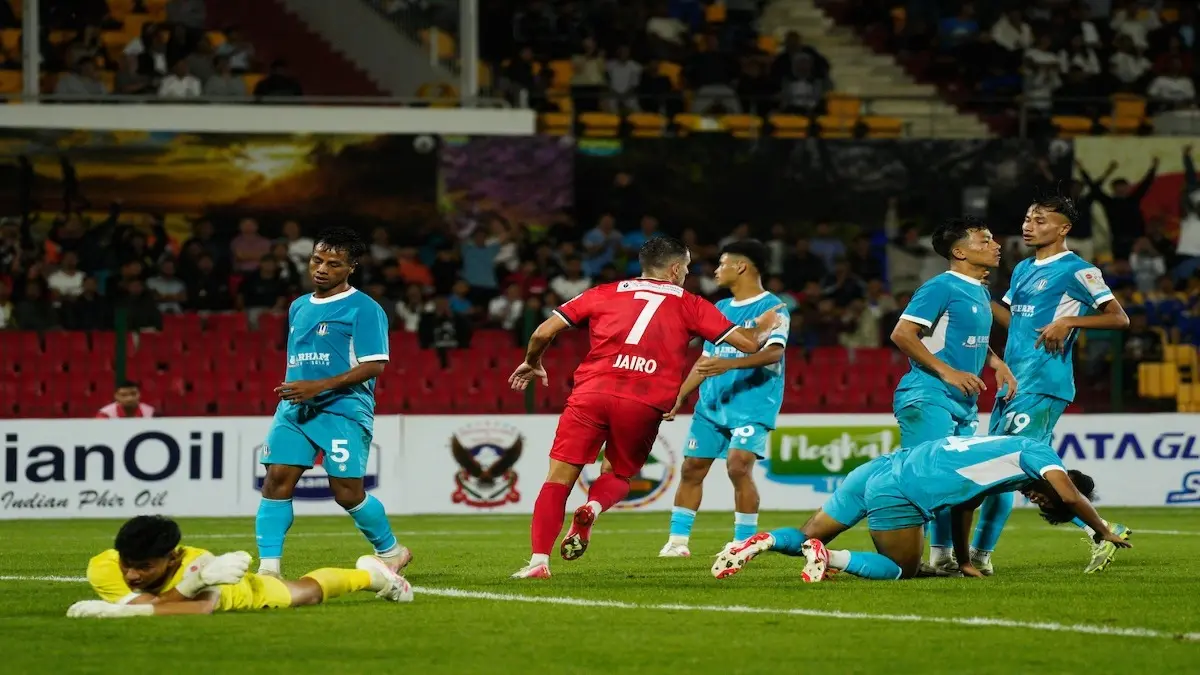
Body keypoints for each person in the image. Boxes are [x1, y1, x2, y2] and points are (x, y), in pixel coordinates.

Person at [507, 236, 785, 579]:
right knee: (618, 475)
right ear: (674, 269)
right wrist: (763, 325)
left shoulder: (604, 292)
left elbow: (541, 333)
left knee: (558, 480)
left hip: (591, 394)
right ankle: (593, 506)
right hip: (643, 402)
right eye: (686, 268)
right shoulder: (691, 304)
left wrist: (532, 361)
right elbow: (748, 345)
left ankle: (538, 562)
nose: (687, 274)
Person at [712, 435, 1130, 582]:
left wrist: (963, 562)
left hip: (878, 468)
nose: (1040, 500)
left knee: (807, 535)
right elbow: (1071, 496)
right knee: (902, 569)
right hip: (902, 490)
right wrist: (1102, 530)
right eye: (1046, 498)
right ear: (1060, 480)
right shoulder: (1041, 455)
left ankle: (762, 541)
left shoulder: (1006, 461)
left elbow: (965, 506)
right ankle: (830, 557)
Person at [984, 193, 1133, 574]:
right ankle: (1099, 528)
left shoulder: (1078, 270)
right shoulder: (1022, 269)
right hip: (1013, 382)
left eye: (1040, 221)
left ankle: (977, 556)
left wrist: (1069, 321)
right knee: (1014, 469)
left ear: (1064, 228)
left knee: (1001, 467)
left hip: (1043, 381)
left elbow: (1119, 319)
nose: (1028, 226)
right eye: (1027, 219)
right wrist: (975, 294)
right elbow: (1016, 323)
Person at [254, 228, 410, 579]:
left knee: (347, 493)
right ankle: (268, 570)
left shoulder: (365, 308)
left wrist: (318, 387)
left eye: (334, 264)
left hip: (343, 409)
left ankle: (392, 551)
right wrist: (302, 389)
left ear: (352, 267)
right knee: (276, 480)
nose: (322, 269)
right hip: (295, 410)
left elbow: (374, 365)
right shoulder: (298, 306)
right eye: (317, 260)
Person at [888, 216, 1018, 576]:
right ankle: (902, 557)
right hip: (927, 394)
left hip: (962, 402)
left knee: (955, 479)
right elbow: (902, 334)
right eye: (984, 240)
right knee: (925, 478)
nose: (995, 246)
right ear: (959, 252)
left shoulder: (979, 290)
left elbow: (965, 338)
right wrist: (947, 372)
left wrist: (996, 362)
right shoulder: (939, 287)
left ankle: (942, 557)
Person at [659, 240, 790, 558]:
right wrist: (679, 396)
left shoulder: (774, 308)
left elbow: (774, 352)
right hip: (712, 405)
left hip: (752, 404)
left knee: (738, 466)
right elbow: (706, 360)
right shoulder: (720, 309)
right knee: (692, 468)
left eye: (722, 264)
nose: (716, 270)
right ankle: (677, 542)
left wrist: (728, 365)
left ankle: (743, 542)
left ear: (741, 266)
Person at [66, 515, 410, 618]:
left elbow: (199, 608)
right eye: (127, 564)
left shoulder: (200, 562)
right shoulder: (103, 566)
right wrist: (188, 586)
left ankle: (374, 576)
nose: (131, 575)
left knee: (307, 593)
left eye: (144, 567)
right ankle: (373, 574)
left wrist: (114, 612)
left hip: (243, 593)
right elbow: (148, 605)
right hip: (200, 587)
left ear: (173, 557)